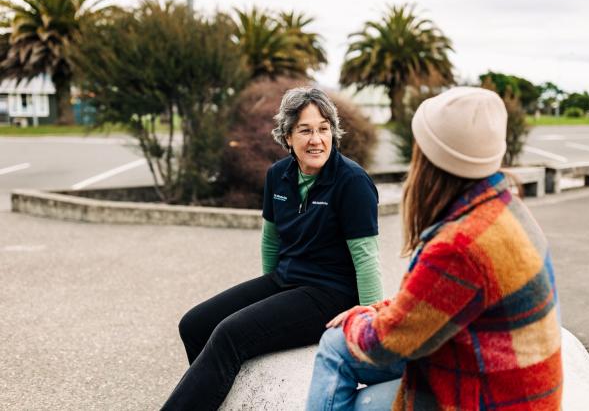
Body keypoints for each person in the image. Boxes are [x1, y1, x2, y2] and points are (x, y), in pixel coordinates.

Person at [306, 87, 563, 410]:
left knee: (335, 347)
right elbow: (430, 302)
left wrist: (357, 316)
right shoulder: (505, 209)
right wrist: (379, 309)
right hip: (514, 388)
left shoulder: (459, 246)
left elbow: (384, 343)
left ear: (430, 161)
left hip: (489, 398)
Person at [161, 87, 384, 410]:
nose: (316, 140)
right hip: (285, 279)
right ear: (287, 136)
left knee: (230, 335)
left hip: (331, 293)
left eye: (323, 129)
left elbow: (366, 259)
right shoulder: (278, 175)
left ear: (333, 133)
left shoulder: (352, 181)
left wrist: (370, 328)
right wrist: (271, 300)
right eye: (305, 130)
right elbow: (271, 239)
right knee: (194, 324)